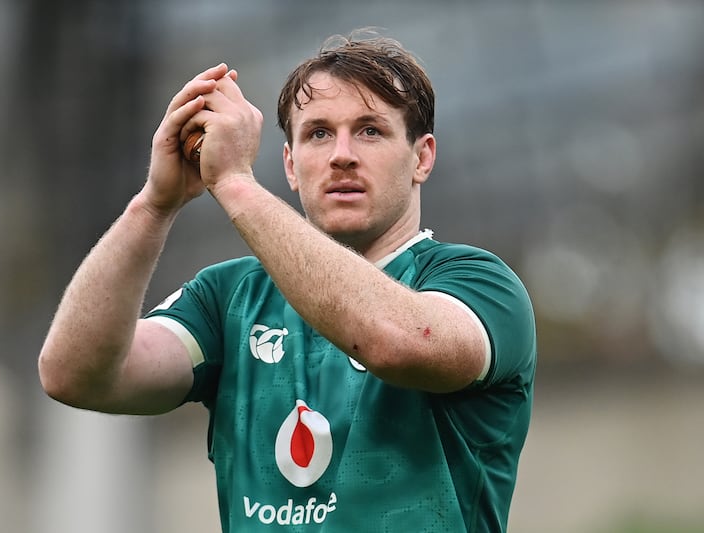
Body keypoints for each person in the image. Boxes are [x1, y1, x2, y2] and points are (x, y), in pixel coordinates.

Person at [38, 30, 536, 532]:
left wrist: (234, 182)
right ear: (291, 165)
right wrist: (154, 204)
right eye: (318, 133)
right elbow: (74, 375)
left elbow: (395, 341)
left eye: (370, 131)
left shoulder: (479, 283)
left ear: (422, 158)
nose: (342, 154)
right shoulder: (228, 298)